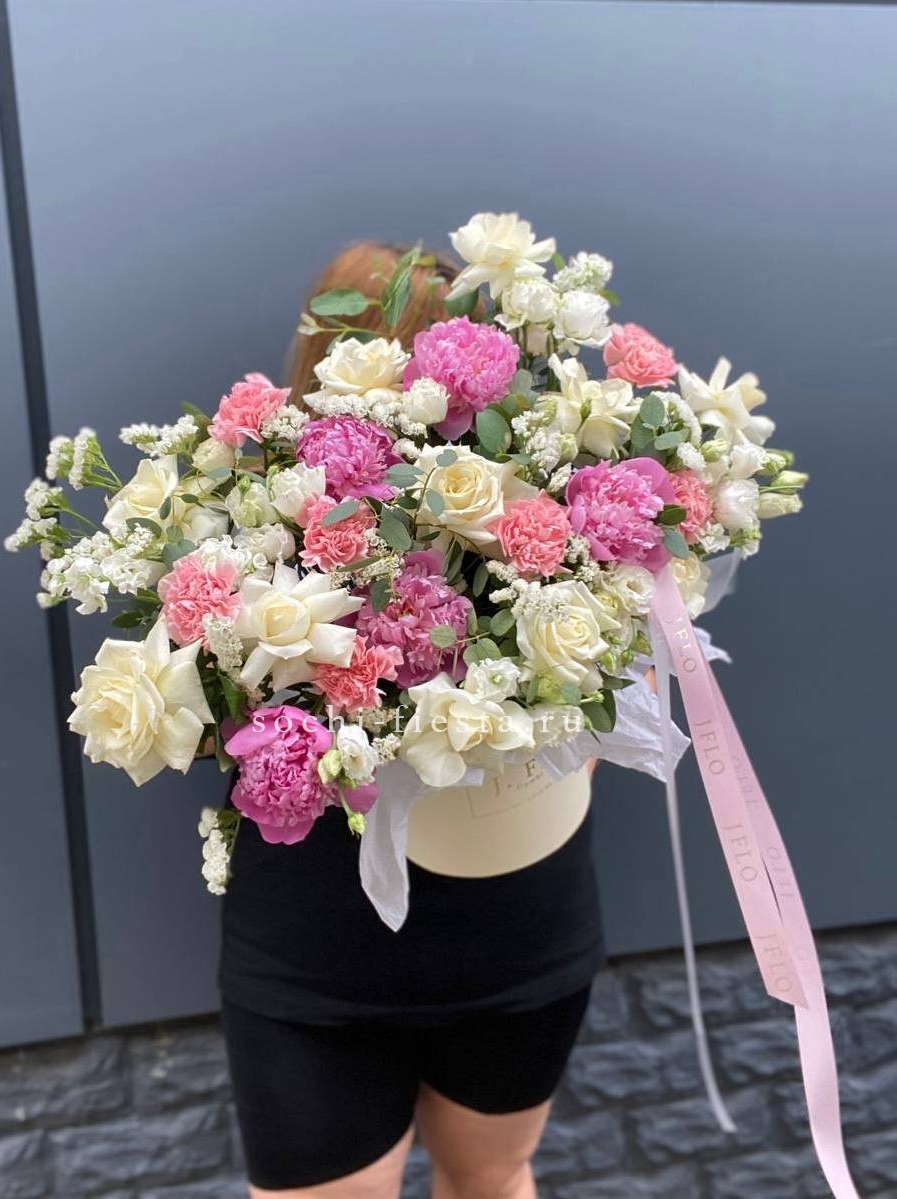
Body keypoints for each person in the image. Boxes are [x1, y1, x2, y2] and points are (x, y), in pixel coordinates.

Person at [220, 242, 606, 1199]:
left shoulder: (550, 527)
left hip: (405, 944)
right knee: (494, 1180)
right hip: (411, 938)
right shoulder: (237, 518)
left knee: (491, 1176)